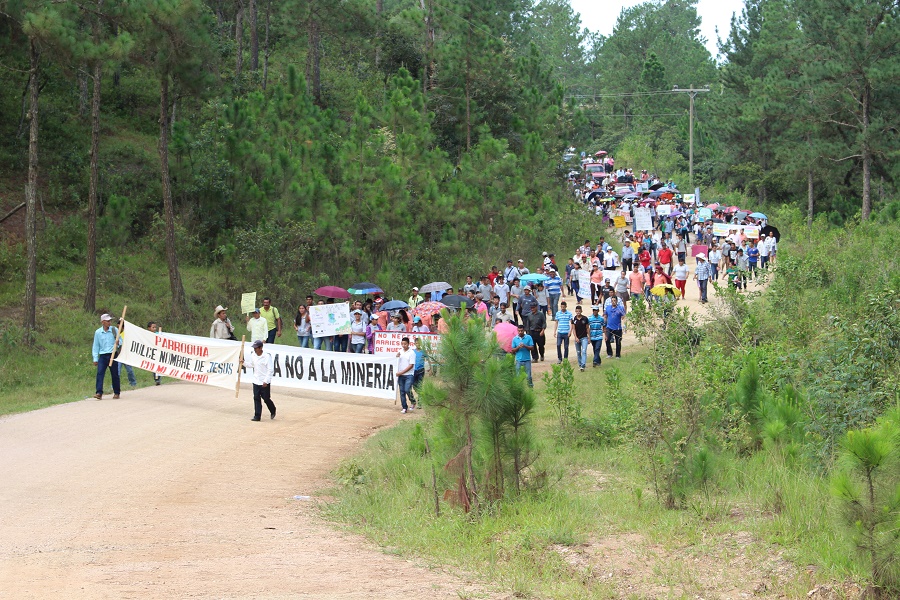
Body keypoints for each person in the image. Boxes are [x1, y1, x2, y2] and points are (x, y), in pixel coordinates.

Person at [243, 340, 276, 421]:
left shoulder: (267, 357)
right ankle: (257, 416)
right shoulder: (253, 355)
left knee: (266, 398)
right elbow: (251, 364)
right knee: (256, 398)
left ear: (261, 348)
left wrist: (266, 380)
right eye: (254, 348)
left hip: (264, 381)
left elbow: (270, 369)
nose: (255, 349)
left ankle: (273, 410)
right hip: (256, 380)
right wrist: (243, 363)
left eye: (256, 348)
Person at [92, 313, 121, 400]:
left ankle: (116, 392)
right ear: (103, 322)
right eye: (107, 321)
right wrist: (95, 358)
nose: (109, 323)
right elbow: (95, 346)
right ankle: (99, 392)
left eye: (110, 321)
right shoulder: (98, 332)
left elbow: (121, 341)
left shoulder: (114, 330)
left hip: (113, 355)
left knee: (115, 374)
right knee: (100, 373)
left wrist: (118, 343)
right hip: (103, 356)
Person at [396, 337, 417, 413]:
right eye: (402, 344)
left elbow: (411, 365)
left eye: (405, 344)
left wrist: (401, 372)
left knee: (407, 389)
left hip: (409, 375)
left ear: (408, 344)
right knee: (402, 392)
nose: (403, 345)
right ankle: (404, 407)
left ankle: (413, 401)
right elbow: (397, 361)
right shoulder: (400, 351)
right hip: (401, 375)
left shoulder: (412, 353)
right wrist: (397, 356)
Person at [572, 305, 590, 371]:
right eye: (577, 311)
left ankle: (583, 365)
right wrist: (576, 337)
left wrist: (589, 337)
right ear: (575, 311)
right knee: (578, 352)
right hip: (577, 338)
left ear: (581, 311)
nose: (578, 312)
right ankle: (580, 364)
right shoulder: (574, 319)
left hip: (584, 337)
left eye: (579, 311)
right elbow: (573, 329)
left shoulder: (585, 318)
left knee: (584, 351)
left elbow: (587, 328)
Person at [410, 338, 427, 405]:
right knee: (414, 386)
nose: (418, 344)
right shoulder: (412, 352)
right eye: (416, 343)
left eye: (419, 343)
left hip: (421, 371)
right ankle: (422, 395)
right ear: (414, 344)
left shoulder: (423, 352)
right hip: (414, 371)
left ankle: (420, 402)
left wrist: (430, 369)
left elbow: (428, 360)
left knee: (420, 386)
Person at [147, 321, 162, 385]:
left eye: (155, 327)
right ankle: (156, 378)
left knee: (158, 365)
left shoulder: (158, 334)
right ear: (149, 328)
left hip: (157, 352)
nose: (154, 329)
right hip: (150, 352)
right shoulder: (146, 335)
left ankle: (158, 379)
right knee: (153, 366)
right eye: (153, 327)